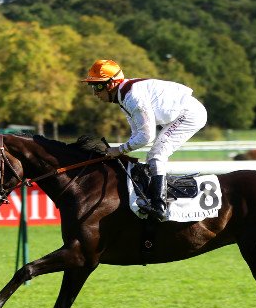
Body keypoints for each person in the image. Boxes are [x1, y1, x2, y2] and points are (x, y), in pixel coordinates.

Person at [82, 59, 207, 222]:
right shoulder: (123, 97)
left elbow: (147, 137)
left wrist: (119, 150)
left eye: (98, 86)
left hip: (189, 115)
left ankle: (159, 206)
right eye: (92, 86)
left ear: (111, 84)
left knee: (156, 155)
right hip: (178, 114)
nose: (95, 93)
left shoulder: (132, 98)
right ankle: (155, 196)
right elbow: (137, 133)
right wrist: (121, 150)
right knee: (153, 156)